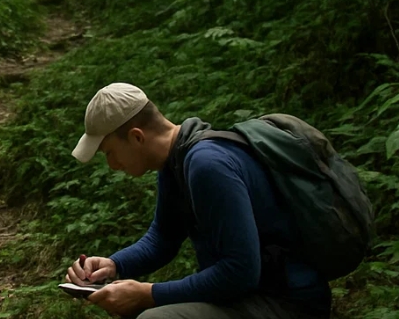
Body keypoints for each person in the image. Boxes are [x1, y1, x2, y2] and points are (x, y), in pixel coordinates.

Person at [64, 83, 332, 319]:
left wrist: (149, 293)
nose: (111, 165)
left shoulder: (207, 165)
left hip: (287, 304)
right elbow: (163, 238)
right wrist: (115, 265)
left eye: (109, 152)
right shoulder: (175, 163)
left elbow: (240, 272)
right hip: (251, 296)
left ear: (137, 137)